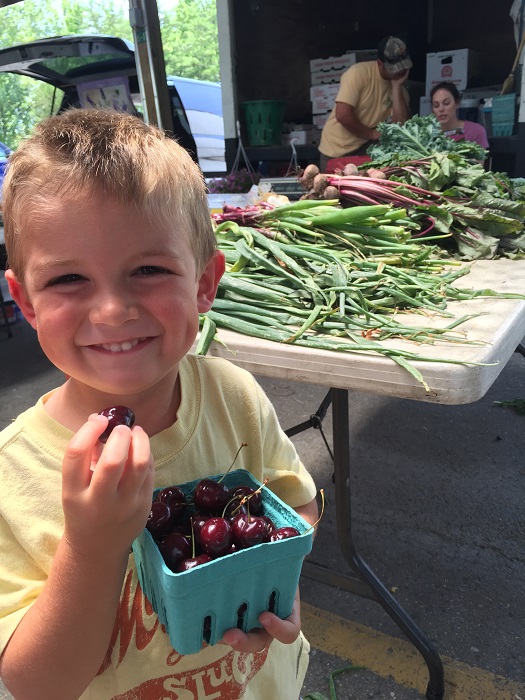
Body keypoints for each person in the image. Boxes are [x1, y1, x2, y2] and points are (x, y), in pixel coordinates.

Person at [0, 108, 318, 700]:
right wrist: (92, 550)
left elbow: (296, 507)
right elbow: (34, 685)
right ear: (25, 302)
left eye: (148, 268)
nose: (113, 310)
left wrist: (278, 588)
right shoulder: (10, 478)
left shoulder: (234, 397)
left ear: (204, 283)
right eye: (68, 280)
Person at [318, 35, 412, 172]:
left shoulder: (401, 91)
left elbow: (402, 127)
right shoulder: (358, 74)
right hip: (336, 149)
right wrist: (372, 134)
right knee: (334, 192)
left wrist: (397, 87)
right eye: (395, 68)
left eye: (403, 67)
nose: (400, 71)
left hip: (366, 149)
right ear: (380, 63)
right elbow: (342, 114)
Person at [430, 81, 489, 151]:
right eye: (436, 105)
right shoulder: (428, 136)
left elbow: (479, 161)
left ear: (457, 103)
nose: (441, 109)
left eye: (446, 103)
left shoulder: (476, 131)